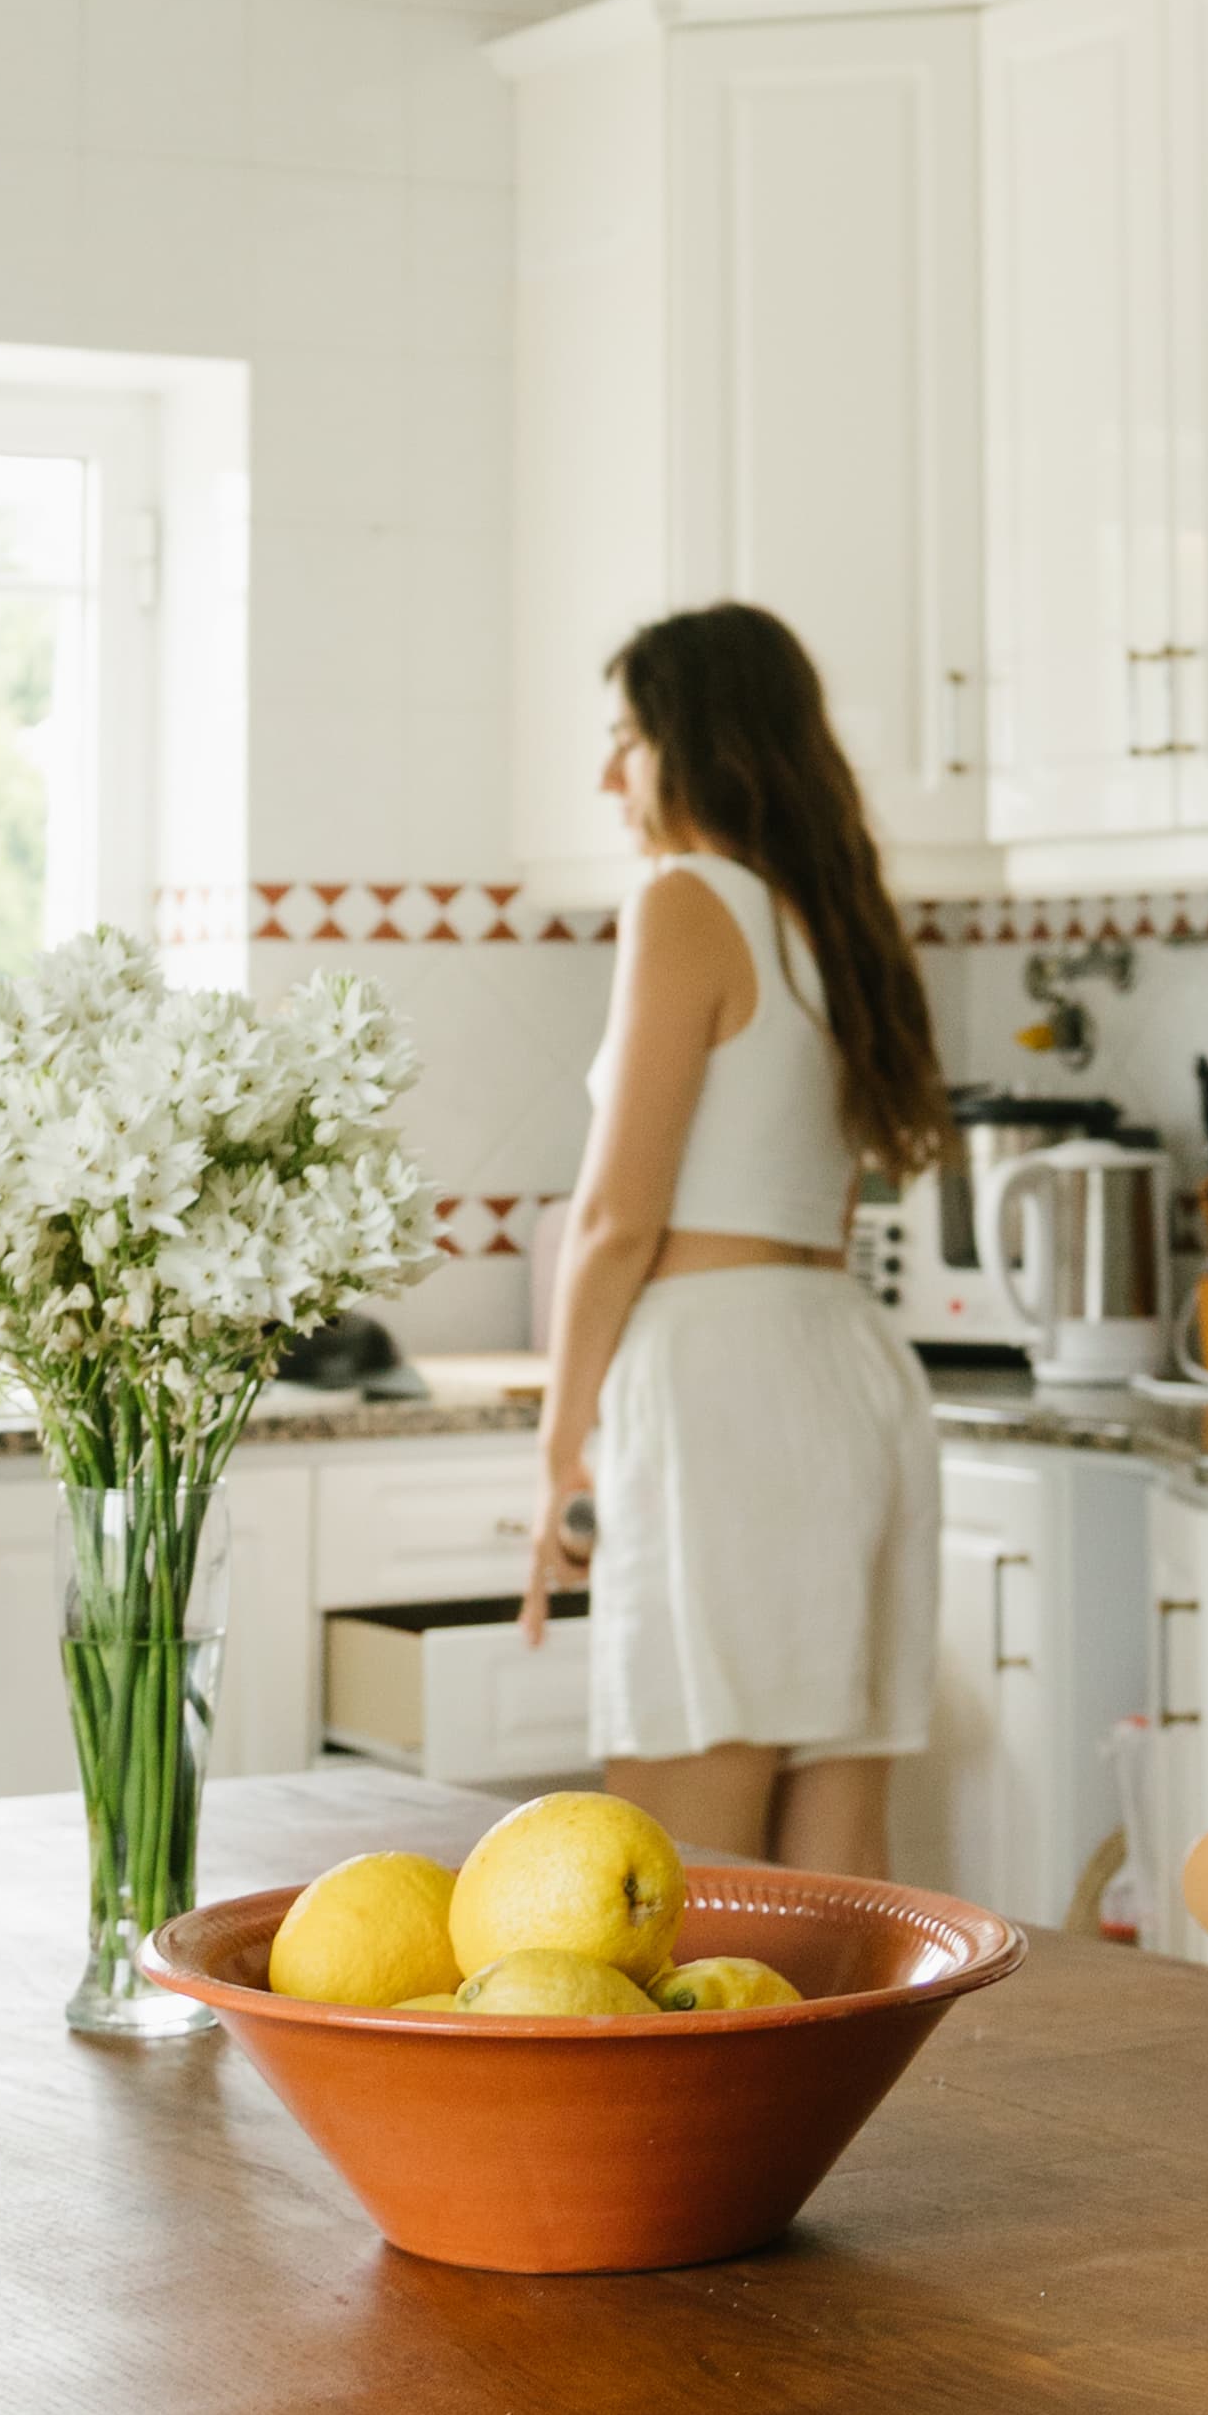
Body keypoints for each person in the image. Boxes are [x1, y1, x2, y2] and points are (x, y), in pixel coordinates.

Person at [521, 601, 947, 1873]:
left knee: (671, 1868)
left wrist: (557, 1446)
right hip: (845, 1368)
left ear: (696, 746)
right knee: (831, 1854)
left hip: (721, 1382)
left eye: (627, 739)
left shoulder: (687, 900)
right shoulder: (841, 923)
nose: (610, 775)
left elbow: (613, 1218)